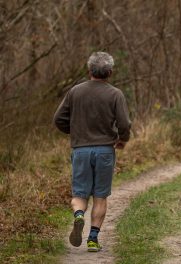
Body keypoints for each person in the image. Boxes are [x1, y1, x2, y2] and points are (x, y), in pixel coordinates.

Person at [53, 51, 131, 252]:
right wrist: (122, 140)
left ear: (89, 71)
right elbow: (124, 123)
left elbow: (58, 119)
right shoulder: (115, 94)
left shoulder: (75, 92)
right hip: (105, 150)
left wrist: (75, 132)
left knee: (80, 193)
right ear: (110, 72)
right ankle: (93, 239)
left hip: (80, 150)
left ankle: (79, 215)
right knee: (100, 196)